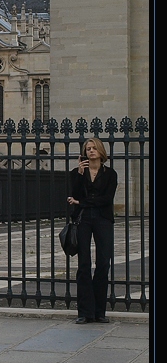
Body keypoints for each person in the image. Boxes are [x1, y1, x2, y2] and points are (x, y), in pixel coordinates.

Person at [67, 137, 118, 324]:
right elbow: (74, 194)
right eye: (88, 149)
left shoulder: (110, 174)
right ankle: (85, 312)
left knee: (103, 262)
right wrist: (80, 175)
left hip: (103, 218)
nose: (91, 151)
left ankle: (99, 311)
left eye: (94, 148)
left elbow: (107, 199)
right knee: (84, 264)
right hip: (83, 220)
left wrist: (82, 203)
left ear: (101, 151)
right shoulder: (76, 173)